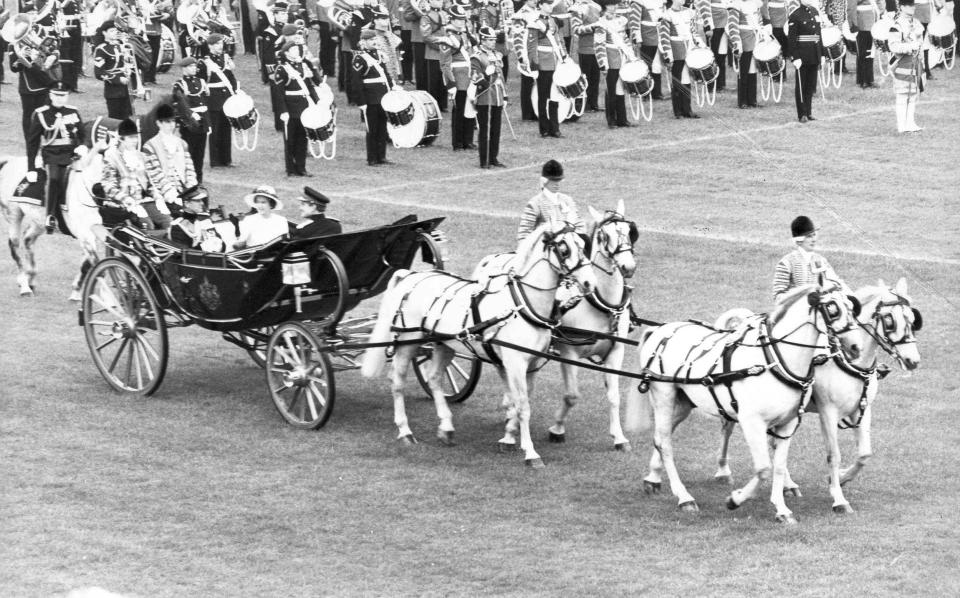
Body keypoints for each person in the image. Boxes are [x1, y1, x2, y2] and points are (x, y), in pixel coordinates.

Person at [26, 81, 86, 234]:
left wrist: (82, 145)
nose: (60, 99)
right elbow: (32, 143)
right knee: (54, 179)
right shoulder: (41, 114)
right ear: (50, 95)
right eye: (57, 95)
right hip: (52, 154)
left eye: (63, 95)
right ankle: (51, 216)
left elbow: (82, 134)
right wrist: (31, 168)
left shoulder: (73, 111)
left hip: (72, 154)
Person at [102, 118, 172, 231]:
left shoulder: (140, 156)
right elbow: (108, 186)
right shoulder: (111, 158)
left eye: (136, 137)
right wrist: (125, 199)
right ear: (121, 139)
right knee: (148, 225)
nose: (135, 140)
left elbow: (148, 183)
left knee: (167, 220)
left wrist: (157, 196)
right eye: (131, 137)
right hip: (123, 204)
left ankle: (168, 248)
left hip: (143, 201)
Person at [772, 215, 849, 303]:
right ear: (799, 240)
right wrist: (804, 298)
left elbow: (836, 282)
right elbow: (778, 297)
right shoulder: (786, 263)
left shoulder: (820, 260)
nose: (814, 239)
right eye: (809, 236)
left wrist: (851, 297)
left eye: (814, 235)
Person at [274, 39, 323, 177]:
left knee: (303, 138)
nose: (297, 52)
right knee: (290, 140)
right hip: (290, 108)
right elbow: (278, 93)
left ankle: (301, 168)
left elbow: (309, 86)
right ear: (287, 53)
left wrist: (317, 101)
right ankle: (290, 169)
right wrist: (283, 111)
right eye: (294, 50)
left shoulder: (302, 65)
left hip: (304, 107)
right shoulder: (282, 68)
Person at [142, 103, 199, 212]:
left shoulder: (182, 143)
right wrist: (170, 193)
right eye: (168, 122)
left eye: (173, 121)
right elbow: (155, 175)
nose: (172, 125)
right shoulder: (150, 146)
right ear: (159, 123)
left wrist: (191, 189)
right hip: (164, 192)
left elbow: (190, 169)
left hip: (184, 189)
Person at [354, 29, 397, 167]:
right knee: (372, 129)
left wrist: (392, 88)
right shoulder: (360, 58)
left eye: (375, 39)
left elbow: (386, 75)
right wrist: (361, 102)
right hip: (370, 98)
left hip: (383, 97)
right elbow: (356, 82)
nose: (375, 41)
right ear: (364, 42)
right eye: (372, 40)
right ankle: (372, 158)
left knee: (382, 127)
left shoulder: (379, 55)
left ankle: (382, 156)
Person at [517, 159, 586, 242]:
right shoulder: (535, 204)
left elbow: (580, 227)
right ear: (544, 181)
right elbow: (523, 236)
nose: (557, 184)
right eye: (553, 180)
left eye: (559, 180)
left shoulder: (568, 201)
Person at [660, 0, 706, 119]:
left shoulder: (688, 12)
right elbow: (664, 37)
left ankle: (687, 109)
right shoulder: (667, 15)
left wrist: (701, 45)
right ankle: (678, 111)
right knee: (677, 80)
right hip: (676, 49)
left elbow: (693, 31)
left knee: (687, 79)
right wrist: (668, 55)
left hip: (689, 48)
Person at [197, 33, 238, 168]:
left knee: (226, 129)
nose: (219, 47)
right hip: (212, 99)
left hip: (226, 98)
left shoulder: (225, 59)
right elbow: (201, 82)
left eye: (220, 44)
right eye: (216, 44)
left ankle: (226, 159)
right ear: (209, 46)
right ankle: (215, 161)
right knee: (214, 130)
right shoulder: (204, 62)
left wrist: (235, 92)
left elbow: (230, 77)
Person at [442, 5, 477, 151]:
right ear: (451, 19)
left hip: (468, 76)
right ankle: (457, 142)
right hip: (457, 77)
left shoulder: (463, 34)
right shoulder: (447, 38)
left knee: (470, 110)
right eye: (458, 19)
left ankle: (468, 141)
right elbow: (445, 63)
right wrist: (451, 84)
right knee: (459, 111)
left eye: (463, 19)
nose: (461, 22)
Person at [472, 26, 507, 169]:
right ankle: (484, 159)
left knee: (496, 129)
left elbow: (501, 76)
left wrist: (505, 95)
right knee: (485, 130)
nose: (493, 42)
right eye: (490, 40)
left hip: (497, 95)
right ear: (483, 40)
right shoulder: (477, 56)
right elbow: (475, 76)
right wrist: (486, 75)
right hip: (485, 96)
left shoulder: (497, 55)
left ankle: (493, 157)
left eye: (494, 40)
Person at [595, 0, 634, 128]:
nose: (615, 7)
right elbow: (599, 45)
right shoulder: (601, 23)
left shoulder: (620, 20)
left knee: (621, 88)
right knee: (610, 89)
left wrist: (630, 54)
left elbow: (625, 39)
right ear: (606, 6)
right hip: (610, 57)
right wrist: (603, 64)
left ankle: (622, 119)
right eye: (613, 4)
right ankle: (611, 119)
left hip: (622, 56)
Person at [172, 57, 210, 183]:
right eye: (191, 66)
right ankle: (188, 180)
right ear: (184, 69)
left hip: (202, 123)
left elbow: (204, 104)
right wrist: (192, 114)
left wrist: (208, 123)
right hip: (189, 124)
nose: (194, 68)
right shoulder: (180, 85)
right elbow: (180, 105)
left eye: (195, 66)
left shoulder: (201, 82)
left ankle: (198, 180)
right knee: (189, 154)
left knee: (200, 154)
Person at [889, 0, 925, 133]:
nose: (912, 8)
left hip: (915, 62)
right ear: (902, 7)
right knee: (902, 94)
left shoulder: (916, 23)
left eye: (913, 5)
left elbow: (920, 41)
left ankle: (910, 123)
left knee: (913, 94)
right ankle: (901, 125)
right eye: (909, 5)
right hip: (902, 62)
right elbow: (893, 46)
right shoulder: (897, 25)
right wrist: (910, 46)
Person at [788, 0, 823, 123]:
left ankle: (809, 112)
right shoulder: (795, 15)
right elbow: (791, 39)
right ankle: (801, 114)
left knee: (810, 85)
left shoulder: (815, 12)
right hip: (802, 55)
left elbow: (819, 34)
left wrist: (822, 54)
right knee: (801, 86)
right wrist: (795, 57)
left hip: (814, 53)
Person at [727, 0, 766, 109]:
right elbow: (732, 26)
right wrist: (736, 42)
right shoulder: (735, 5)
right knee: (743, 70)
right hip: (743, 38)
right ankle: (742, 100)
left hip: (755, 37)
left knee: (753, 69)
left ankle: (752, 100)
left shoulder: (755, 3)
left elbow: (759, 21)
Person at [93, 20, 134, 120]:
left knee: (127, 116)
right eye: (111, 31)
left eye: (115, 30)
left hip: (126, 88)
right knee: (115, 118)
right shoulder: (101, 49)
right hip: (113, 90)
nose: (115, 32)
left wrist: (129, 69)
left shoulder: (120, 46)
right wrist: (117, 79)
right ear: (104, 33)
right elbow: (99, 73)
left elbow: (128, 62)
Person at [169, 186, 226, 252]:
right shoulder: (178, 226)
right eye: (197, 201)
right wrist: (203, 248)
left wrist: (219, 246)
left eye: (202, 200)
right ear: (187, 204)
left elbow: (222, 244)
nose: (202, 203)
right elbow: (183, 254)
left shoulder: (205, 220)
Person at [571, 0, 603, 112]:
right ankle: (584, 105)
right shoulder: (576, 8)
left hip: (597, 48)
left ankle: (593, 104)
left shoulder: (596, 6)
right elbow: (576, 29)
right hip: (585, 48)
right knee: (585, 79)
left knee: (595, 78)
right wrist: (593, 26)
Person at [847, 0, 883, 89]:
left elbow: (879, 2)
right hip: (861, 24)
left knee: (870, 53)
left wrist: (880, 13)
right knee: (862, 53)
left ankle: (869, 79)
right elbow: (851, 7)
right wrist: (853, 24)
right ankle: (863, 80)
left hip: (873, 22)